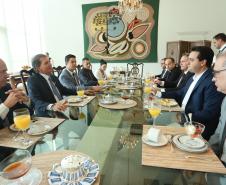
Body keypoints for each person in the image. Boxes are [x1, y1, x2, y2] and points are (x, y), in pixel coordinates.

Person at [154, 46, 224, 140]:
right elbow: (180, 93)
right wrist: (158, 94)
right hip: (182, 118)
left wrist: (184, 116)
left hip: (195, 129)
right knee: (153, 123)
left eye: (191, 60)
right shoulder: (193, 76)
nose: (187, 63)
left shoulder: (212, 81)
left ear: (203, 62)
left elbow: (209, 113)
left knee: (156, 127)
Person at [0, 58, 29, 161]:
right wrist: (6, 105)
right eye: (3, 72)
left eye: (6, 71)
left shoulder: (5, 87)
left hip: (15, 140)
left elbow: (24, 113)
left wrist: (24, 100)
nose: (7, 75)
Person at [207, 53, 226, 184]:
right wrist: (204, 156)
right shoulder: (225, 101)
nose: (213, 79)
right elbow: (217, 136)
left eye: (216, 73)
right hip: (217, 166)